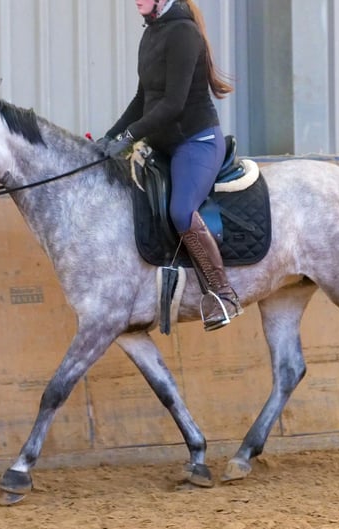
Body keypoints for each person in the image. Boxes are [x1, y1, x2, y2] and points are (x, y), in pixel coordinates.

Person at [101, 0, 242, 332]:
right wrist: (108, 138)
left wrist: (129, 135)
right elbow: (142, 100)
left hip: (196, 142)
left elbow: (173, 105)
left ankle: (223, 294)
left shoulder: (183, 33)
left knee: (180, 211)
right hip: (162, 145)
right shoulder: (151, 33)